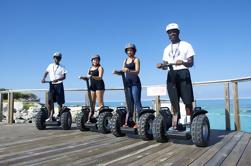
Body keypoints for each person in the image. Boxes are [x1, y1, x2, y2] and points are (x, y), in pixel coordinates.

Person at [157, 23, 195, 130]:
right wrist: (161, 66)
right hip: (171, 74)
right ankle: (176, 122)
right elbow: (165, 65)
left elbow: (191, 63)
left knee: (187, 100)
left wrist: (183, 62)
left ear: (178, 32)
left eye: (174, 31)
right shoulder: (166, 49)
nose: (172, 33)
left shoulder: (186, 45)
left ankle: (189, 122)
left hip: (183, 73)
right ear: (167, 34)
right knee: (174, 100)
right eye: (169, 32)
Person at [41, 52, 67, 121]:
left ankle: (60, 115)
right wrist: (43, 78)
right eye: (56, 57)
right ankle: (51, 115)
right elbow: (46, 72)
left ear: (60, 59)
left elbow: (64, 77)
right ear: (53, 58)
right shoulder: (50, 65)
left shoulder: (62, 67)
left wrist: (57, 79)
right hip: (51, 85)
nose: (57, 59)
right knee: (50, 100)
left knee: (60, 101)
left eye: (58, 58)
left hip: (59, 85)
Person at [122, 43, 142, 128]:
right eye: (128, 50)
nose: (129, 52)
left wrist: (129, 70)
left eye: (131, 50)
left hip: (135, 83)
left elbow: (137, 71)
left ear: (134, 51)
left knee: (136, 101)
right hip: (127, 84)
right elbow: (123, 70)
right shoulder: (125, 60)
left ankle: (141, 121)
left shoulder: (136, 59)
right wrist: (118, 72)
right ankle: (129, 122)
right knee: (129, 103)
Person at [87, 54, 105, 122]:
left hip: (99, 86)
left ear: (99, 61)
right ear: (92, 61)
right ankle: (91, 117)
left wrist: (92, 77)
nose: (95, 61)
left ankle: (102, 118)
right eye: (94, 60)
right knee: (92, 103)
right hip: (92, 86)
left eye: (97, 60)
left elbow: (100, 77)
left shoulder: (100, 68)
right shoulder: (90, 68)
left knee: (100, 102)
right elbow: (87, 76)